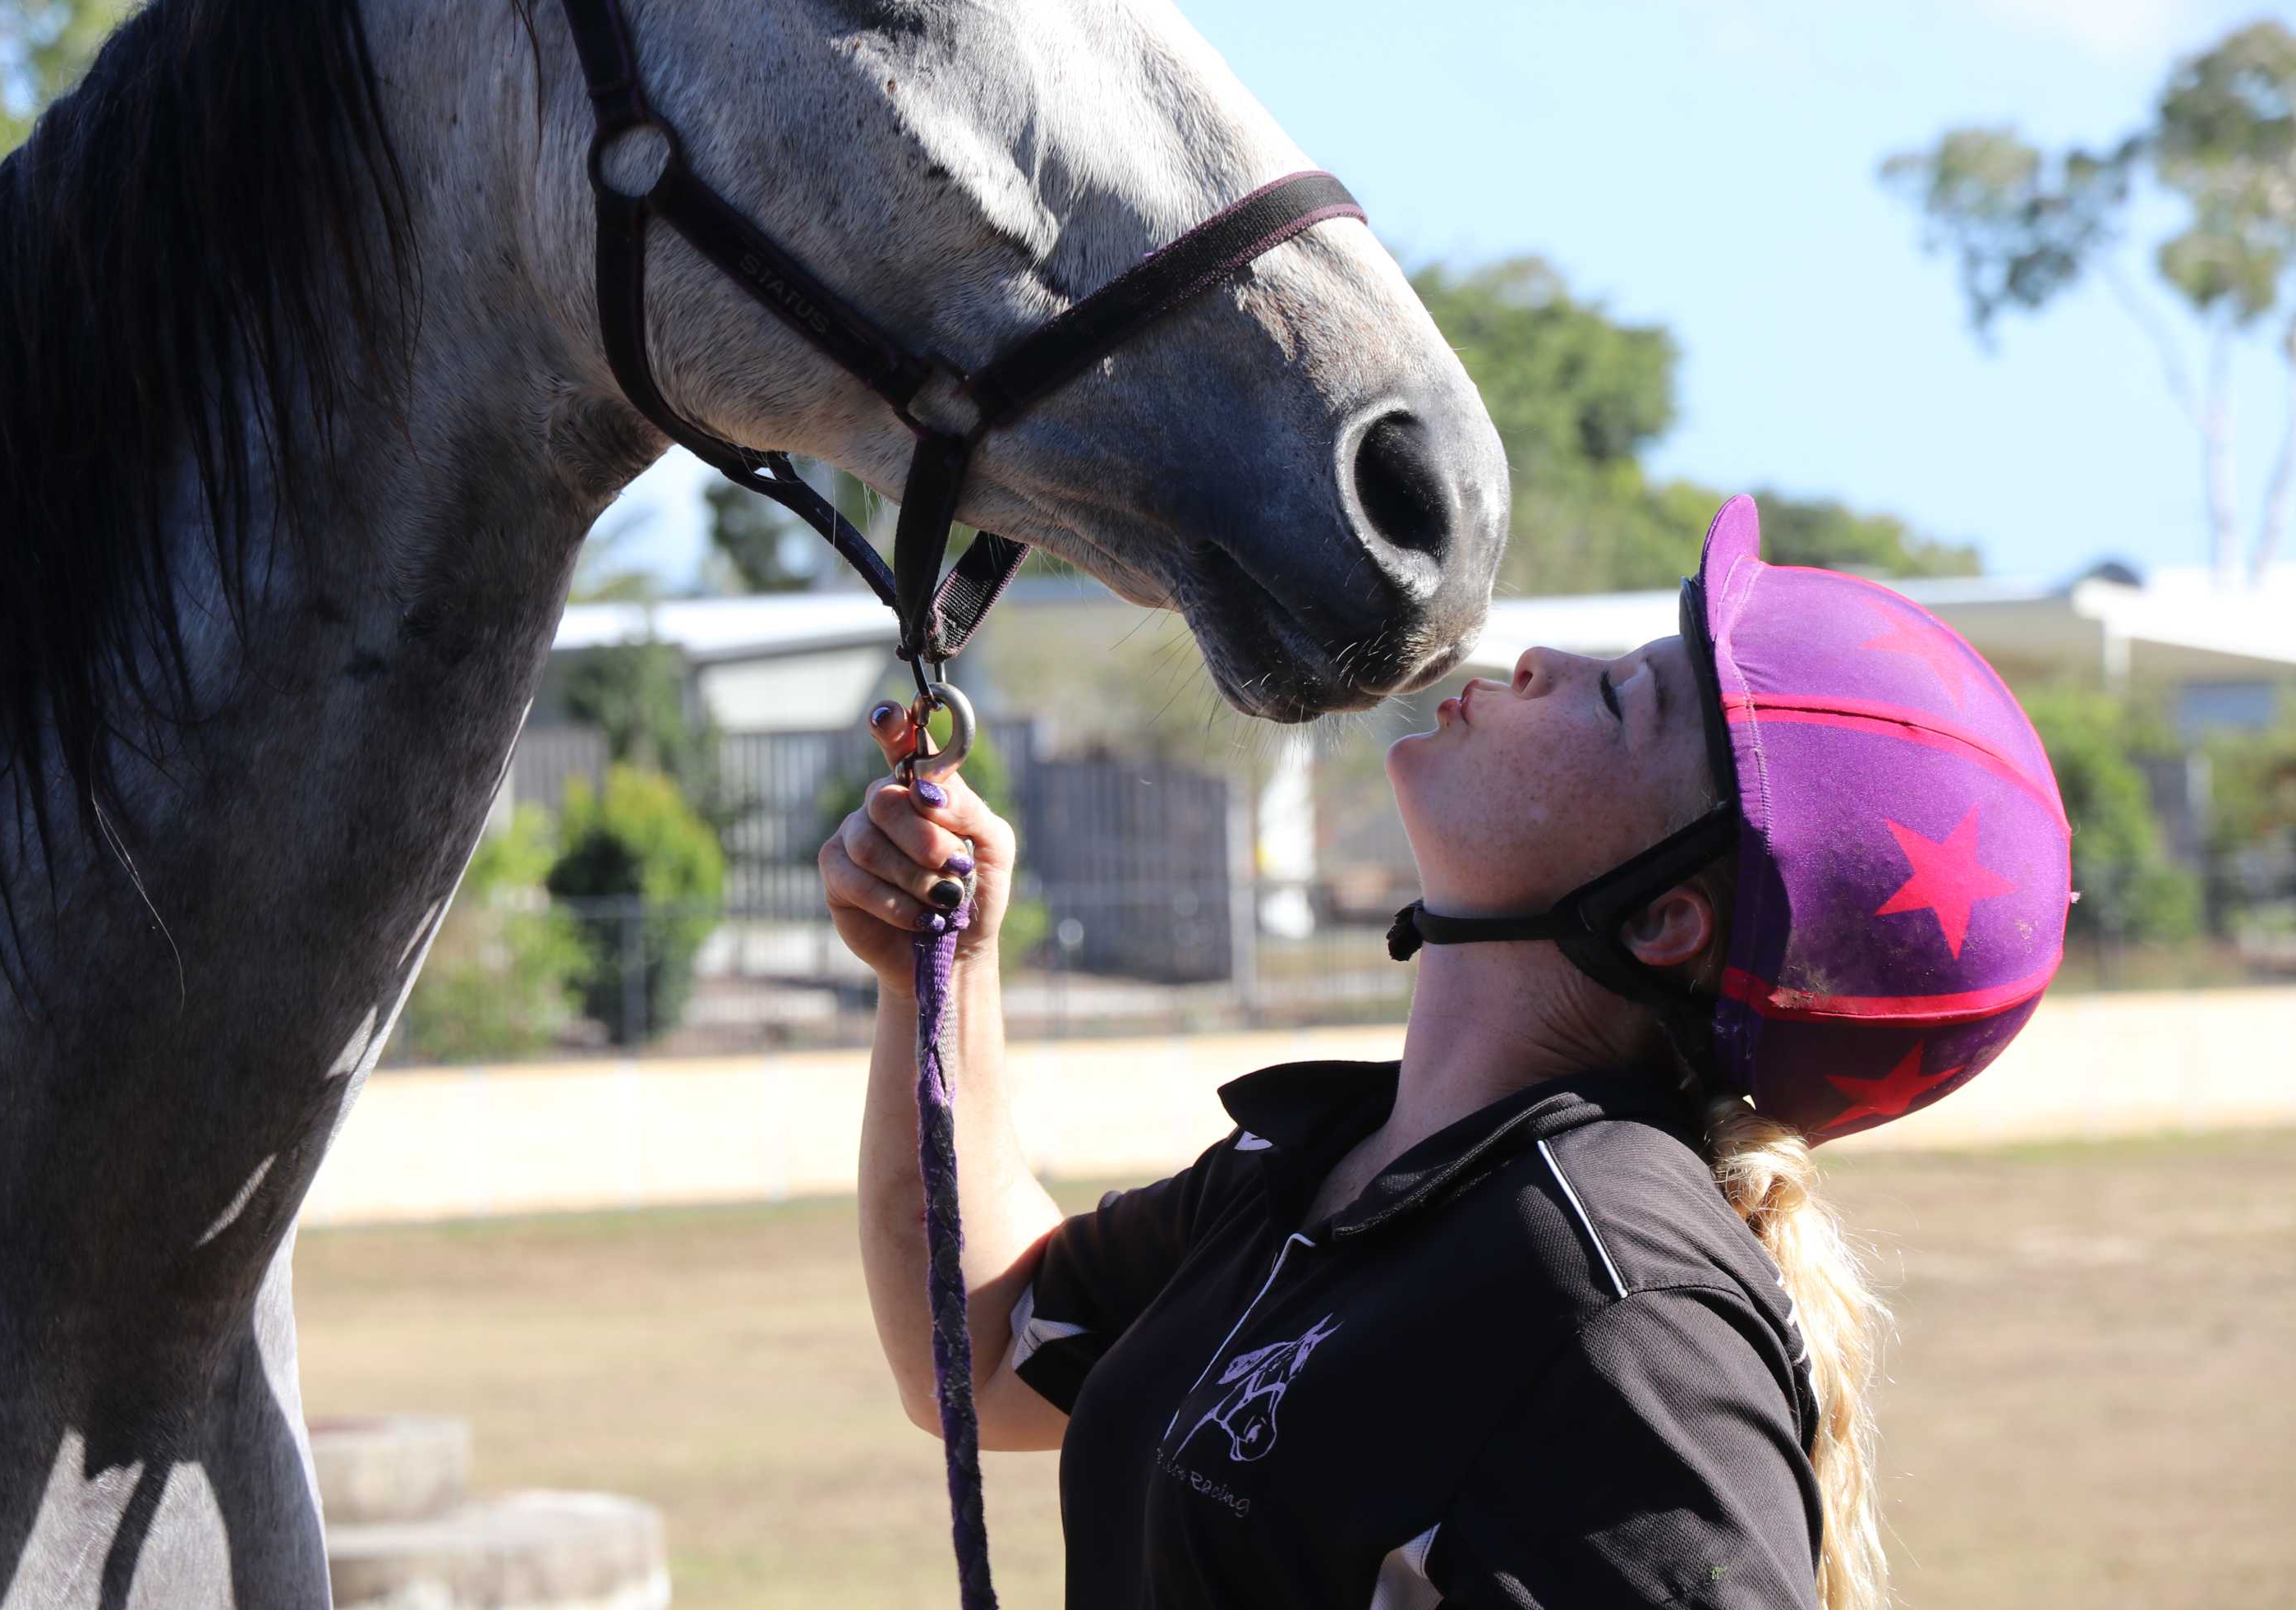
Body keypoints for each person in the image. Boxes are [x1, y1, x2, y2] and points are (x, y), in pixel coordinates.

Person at [821, 496, 2072, 1609]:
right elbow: (981, 1352)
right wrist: (941, 978)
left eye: (1620, 699)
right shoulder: (1329, 1162)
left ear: (1660, 920)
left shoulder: (1619, 1304)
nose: (1541, 663)